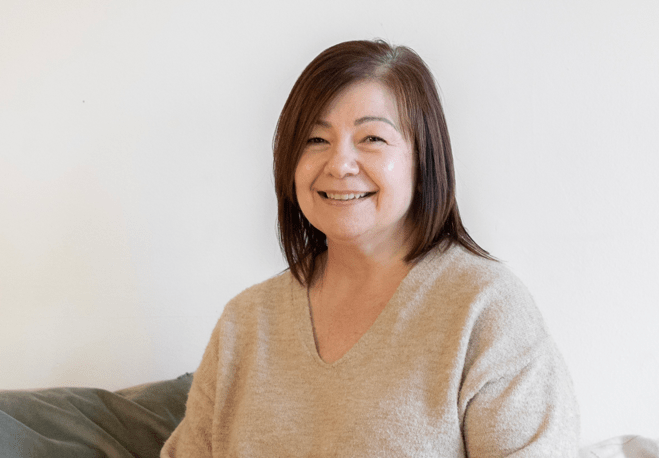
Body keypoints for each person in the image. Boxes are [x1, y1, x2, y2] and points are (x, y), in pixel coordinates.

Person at [161, 39, 579, 457]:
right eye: (315, 139)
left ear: (423, 160)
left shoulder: (486, 309)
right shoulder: (244, 323)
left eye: (372, 138)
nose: (339, 164)